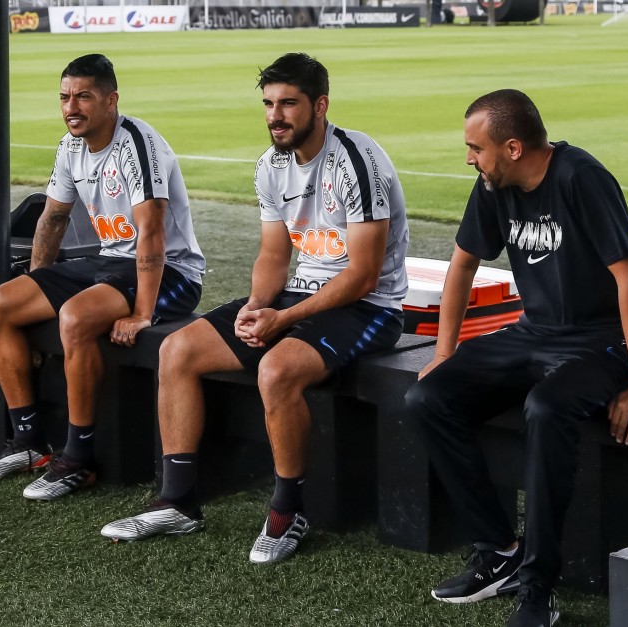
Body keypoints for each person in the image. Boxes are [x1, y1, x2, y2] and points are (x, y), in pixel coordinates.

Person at [101, 52, 409, 563]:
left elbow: (364, 274)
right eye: (268, 103)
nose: (275, 115)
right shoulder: (271, 165)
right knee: (177, 350)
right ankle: (178, 501)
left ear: (320, 105)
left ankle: (289, 510)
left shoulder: (358, 158)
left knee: (276, 370)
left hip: (369, 307)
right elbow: (273, 253)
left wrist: (284, 319)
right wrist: (257, 307)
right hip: (298, 297)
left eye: (288, 103)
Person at [404, 89, 628, 627]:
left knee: (546, 408)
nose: (469, 158)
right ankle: (499, 550)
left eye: (476, 147)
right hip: (534, 332)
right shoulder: (493, 184)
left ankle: (538, 588)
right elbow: (463, 265)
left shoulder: (580, 177)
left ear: (514, 147)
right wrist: (446, 352)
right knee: (428, 396)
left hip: (602, 338)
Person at [0, 54, 205, 501]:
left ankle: (78, 458)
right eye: (64, 97)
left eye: (83, 96)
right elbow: (53, 219)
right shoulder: (69, 146)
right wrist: (38, 285)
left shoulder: (137, 143)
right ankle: (30, 443)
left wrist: (143, 313)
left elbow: (152, 232)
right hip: (110, 262)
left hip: (171, 270)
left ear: (111, 100)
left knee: (76, 318)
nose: (71, 107)